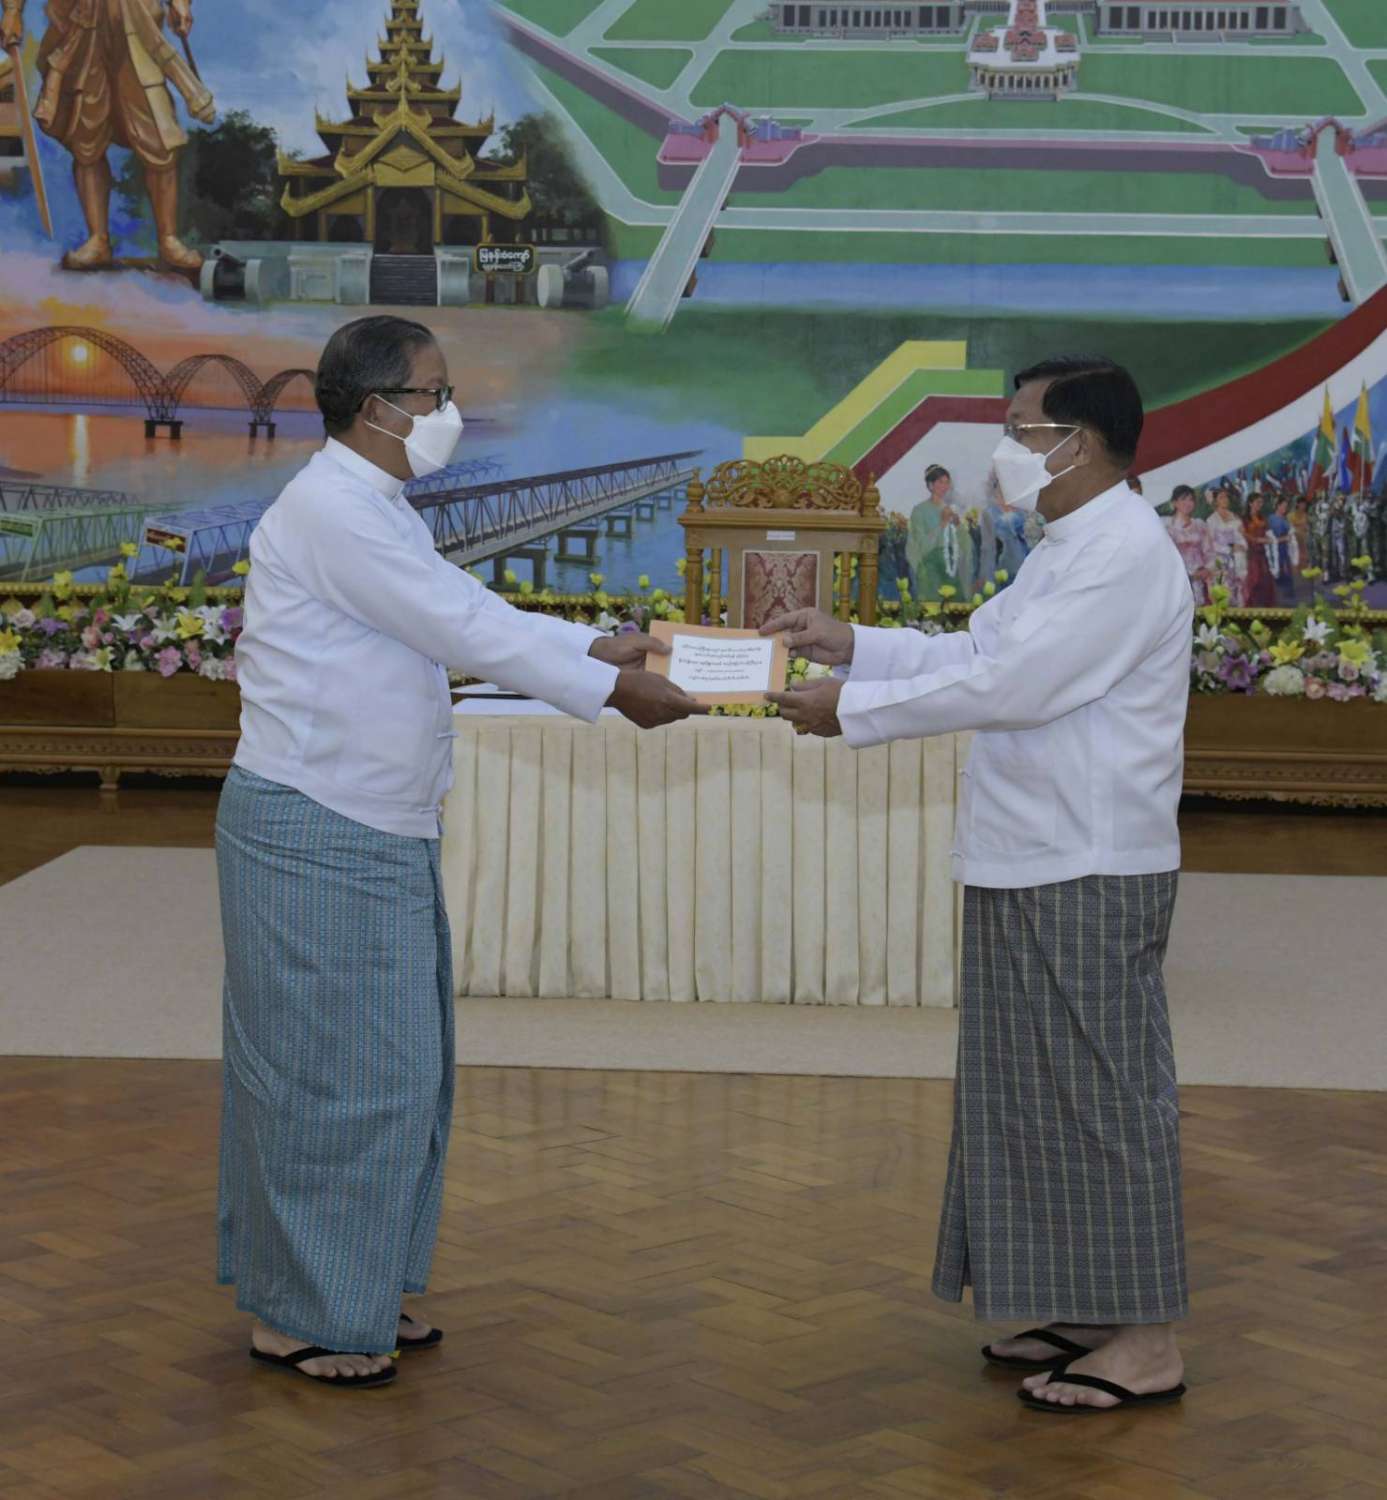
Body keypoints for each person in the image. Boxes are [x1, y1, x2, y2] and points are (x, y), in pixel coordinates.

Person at [217, 316, 705, 1390]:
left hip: (372, 822)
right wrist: (609, 688)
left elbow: (460, 610)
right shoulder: (333, 511)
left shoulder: (371, 505)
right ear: (375, 406)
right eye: (434, 394)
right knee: (332, 1079)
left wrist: (590, 645)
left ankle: (352, 1283)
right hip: (319, 824)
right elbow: (464, 630)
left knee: (393, 1072)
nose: (450, 412)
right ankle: (302, 1315)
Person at [765, 356, 1191, 1415]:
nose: (1004, 448)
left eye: (1018, 428)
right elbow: (975, 650)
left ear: (1075, 443)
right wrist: (854, 647)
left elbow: (1013, 686)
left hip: (1087, 860)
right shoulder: (1065, 545)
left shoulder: (1122, 553)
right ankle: (1090, 1304)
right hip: (1031, 851)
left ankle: (1146, 1341)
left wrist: (850, 711)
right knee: (1034, 1093)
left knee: (1102, 1097)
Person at [1, 0, 213, 270]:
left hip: (137, 19)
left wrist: (179, 3)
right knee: (85, 138)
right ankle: (98, 240)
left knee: (159, 136)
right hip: (77, 23)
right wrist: (12, 10)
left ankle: (168, 239)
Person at [907, 464, 973, 603]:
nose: (944, 486)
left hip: (951, 568)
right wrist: (942, 524)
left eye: (947, 482)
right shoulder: (920, 510)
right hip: (930, 570)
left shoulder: (951, 510)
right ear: (930, 485)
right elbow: (920, 546)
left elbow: (966, 545)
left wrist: (958, 525)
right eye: (940, 482)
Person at [1164, 484, 1213, 605]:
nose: (1188, 503)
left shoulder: (1200, 525)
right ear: (1174, 503)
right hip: (1178, 580)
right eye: (1183, 499)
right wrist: (1188, 575)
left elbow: (1209, 551)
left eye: (1191, 499)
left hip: (1201, 580)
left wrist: (1207, 570)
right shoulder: (1167, 527)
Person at [1207, 486, 1248, 603]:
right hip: (1220, 559)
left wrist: (1242, 546)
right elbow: (1211, 543)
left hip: (1237, 559)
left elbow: (1241, 537)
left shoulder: (1235, 517)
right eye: (1221, 497)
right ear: (1215, 501)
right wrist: (1229, 549)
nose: (1225, 500)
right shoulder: (1211, 520)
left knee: (1240, 590)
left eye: (1226, 497)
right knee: (1224, 592)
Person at [1242, 492, 1277, 607]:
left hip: (1263, 553)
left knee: (1266, 580)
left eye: (1261, 502)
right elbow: (1244, 535)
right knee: (1254, 580)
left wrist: (1268, 539)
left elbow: (1267, 533)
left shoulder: (1262, 518)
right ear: (1250, 503)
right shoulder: (1244, 519)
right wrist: (1258, 540)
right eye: (1257, 502)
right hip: (1251, 554)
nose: (1260, 505)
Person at [1266, 495, 1299, 599]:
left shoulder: (1285, 519)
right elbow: (1270, 536)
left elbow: (1291, 531)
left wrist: (1292, 534)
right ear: (1278, 506)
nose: (1285, 508)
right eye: (1283, 506)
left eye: (1286, 506)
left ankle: (1289, 594)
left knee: (1287, 571)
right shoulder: (1272, 519)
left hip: (1285, 549)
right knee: (1277, 570)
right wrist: (1284, 538)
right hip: (1275, 549)